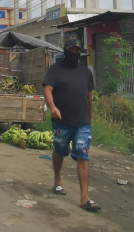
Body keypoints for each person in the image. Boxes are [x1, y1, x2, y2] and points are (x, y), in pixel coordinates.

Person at [42, 38, 100, 212]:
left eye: (77, 50)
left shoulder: (86, 72)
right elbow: (47, 89)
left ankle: (84, 198)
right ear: (65, 51)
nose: (74, 53)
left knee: (83, 155)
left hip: (82, 122)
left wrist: (90, 114)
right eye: (71, 50)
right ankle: (58, 179)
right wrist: (52, 107)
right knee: (60, 150)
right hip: (61, 121)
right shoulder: (55, 70)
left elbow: (89, 95)